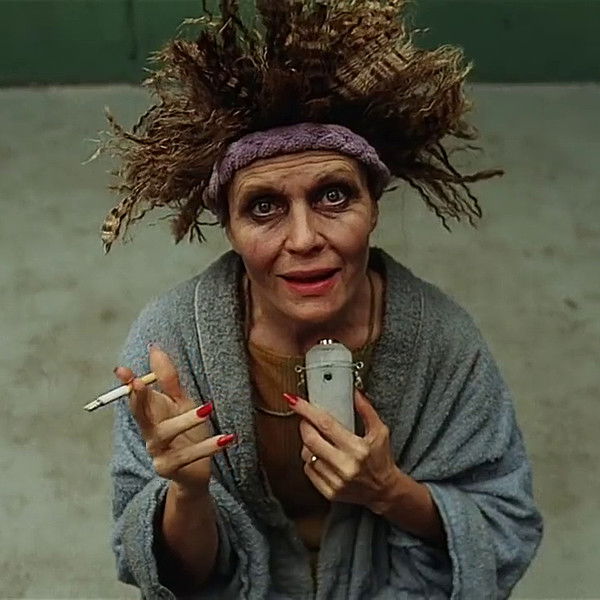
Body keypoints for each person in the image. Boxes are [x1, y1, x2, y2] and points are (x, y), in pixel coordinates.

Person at [103, 2, 543, 598]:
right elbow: (172, 575)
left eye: (334, 195)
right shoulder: (172, 346)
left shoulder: (443, 342)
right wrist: (188, 490)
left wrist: (389, 491)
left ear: (374, 206)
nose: (305, 239)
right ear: (229, 228)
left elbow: (506, 522)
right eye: (264, 207)